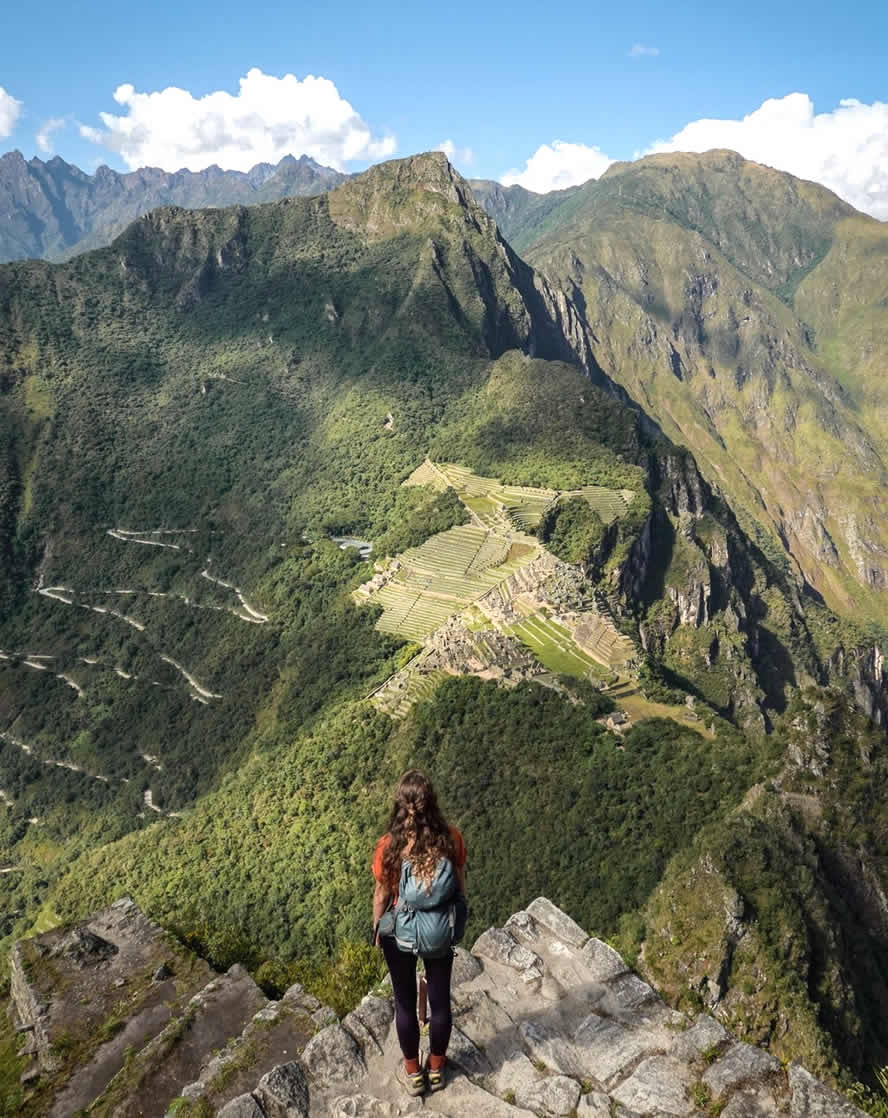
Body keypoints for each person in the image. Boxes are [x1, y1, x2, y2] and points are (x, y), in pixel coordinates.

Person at [372, 770, 467, 1096]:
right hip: (439, 928)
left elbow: (382, 895)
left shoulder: (389, 846)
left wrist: (377, 928)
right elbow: (460, 887)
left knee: (404, 1003)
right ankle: (437, 1069)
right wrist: (456, 924)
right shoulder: (452, 839)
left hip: (400, 931)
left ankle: (413, 1073)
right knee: (439, 1004)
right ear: (433, 803)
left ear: (400, 806)